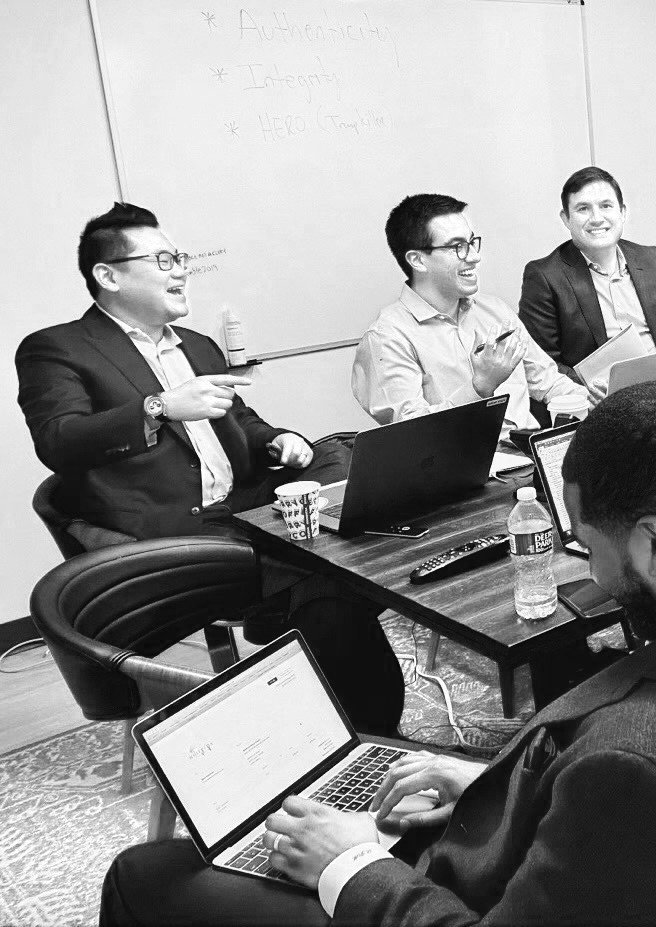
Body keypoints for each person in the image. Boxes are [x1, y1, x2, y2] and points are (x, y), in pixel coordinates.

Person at [99, 381, 656, 927]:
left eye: (590, 547)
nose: (594, 574)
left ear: (654, 542)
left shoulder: (634, 771)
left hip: (463, 892)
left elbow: (633, 784)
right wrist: (503, 785)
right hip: (641, 863)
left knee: (145, 875)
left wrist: (352, 867)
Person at [18, 202, 403, 734]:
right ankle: (366, 729)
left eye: (181, 258)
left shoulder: (197, 346)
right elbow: (59, 442)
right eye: (163, 260)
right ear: (108, 276)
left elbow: (241, 420)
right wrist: (158, 407)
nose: (181, 271)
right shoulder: (56, 349)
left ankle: (331, 706)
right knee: (331, 579)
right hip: (178, 530)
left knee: (352, 471)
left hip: (244, 506)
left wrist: (279, 440)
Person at [351, 193, 590, 432]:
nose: (475, 257)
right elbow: (413, 433)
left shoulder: (494, 310)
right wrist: (480, 386)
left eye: (472, 242)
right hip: (461, 456)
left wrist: (598, 403)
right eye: (458, 247)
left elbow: (548, 381)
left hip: (529, 448)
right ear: (418, 260)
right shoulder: (387, 338)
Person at [520, 167, 656, 381]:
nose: (597, 218)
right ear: (566, 218)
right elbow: (542, 365)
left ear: (622, 212)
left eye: (606, 206)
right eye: (583, 209)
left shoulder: (654, 260)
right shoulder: (544, 277)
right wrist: (592, 388)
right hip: (598, 396)